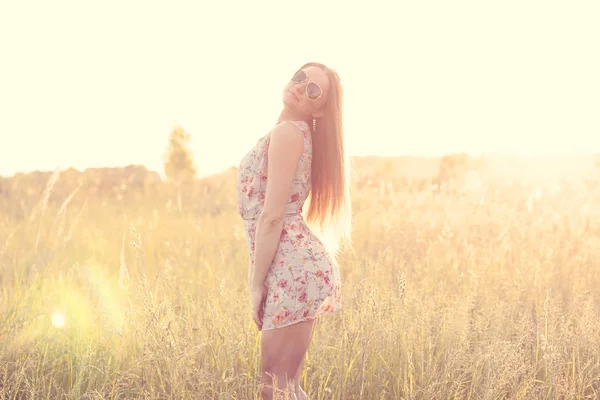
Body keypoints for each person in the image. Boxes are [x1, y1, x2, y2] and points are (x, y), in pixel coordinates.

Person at [236, 62, 352, 399]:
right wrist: (258, 273)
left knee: (274, 386)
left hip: (294, 267)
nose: (301, 86)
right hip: (294, 267)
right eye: (300, 77)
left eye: (313, 89)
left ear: (319, 108)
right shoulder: (288, 132)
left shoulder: (289, 134)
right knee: (285, 385)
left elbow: (272, 216)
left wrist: (256, 284)